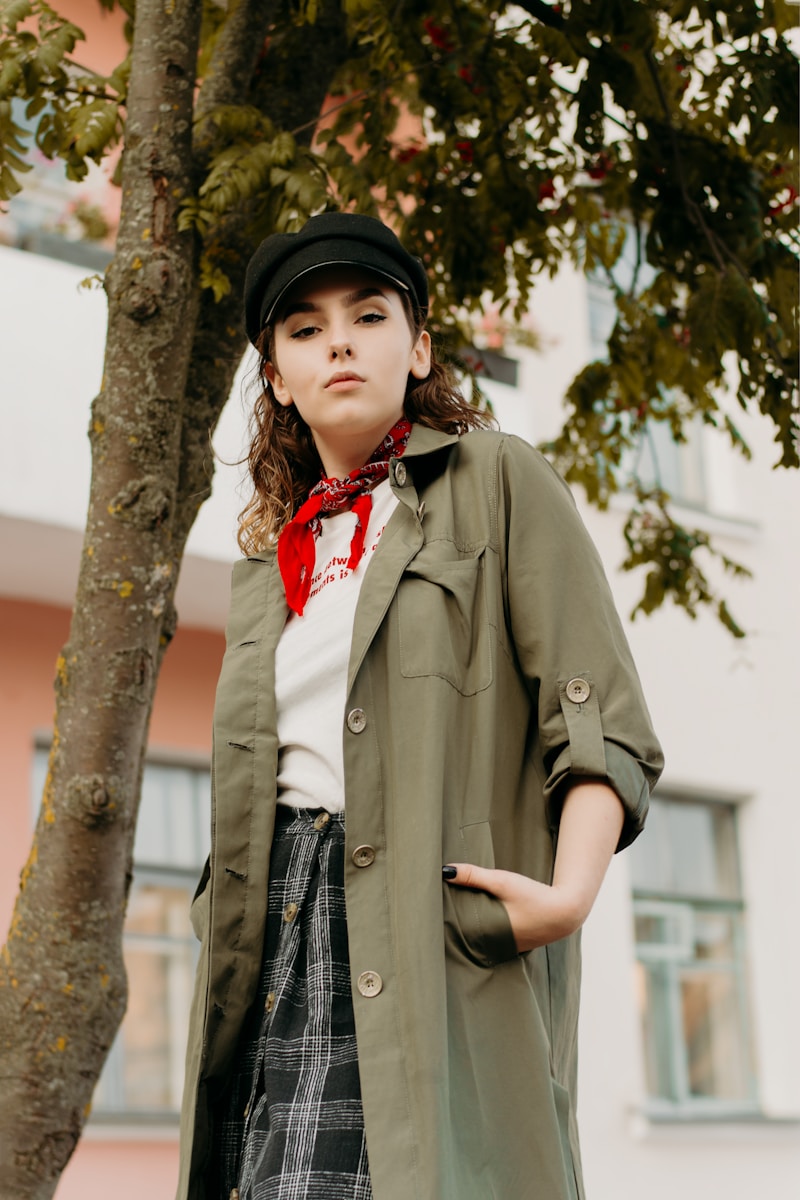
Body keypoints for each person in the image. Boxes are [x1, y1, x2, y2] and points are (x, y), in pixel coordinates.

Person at [177, 211, 663, 1200]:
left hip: (423, 920)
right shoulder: (272, 564)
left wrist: (566, 897)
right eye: (304, 329)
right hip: (280, 932)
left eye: (367, 314)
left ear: (419, 345)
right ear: (275, 372)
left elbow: (598, 715)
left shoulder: (495, 479)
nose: (339, 342)